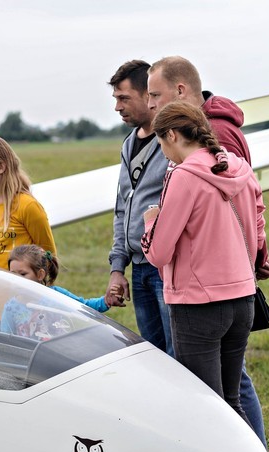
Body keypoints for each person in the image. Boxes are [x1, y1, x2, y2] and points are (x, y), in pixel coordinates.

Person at [140, 101, 269, 452]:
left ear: (172, 136)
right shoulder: (236, 166)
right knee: (231, 398)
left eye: (162, 144)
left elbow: (160, 251)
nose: (164, 153)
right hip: (241, 298)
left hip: (197, 305)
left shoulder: (182, 176)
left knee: (208, 406)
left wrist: (150, 222)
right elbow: (257, 228)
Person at [104, 60, 174, 357]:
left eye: (124, 98)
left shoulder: (173, 140)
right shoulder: (128, 143)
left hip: (165, 268)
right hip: (139, 270)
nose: (118, 107)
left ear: (149, 95)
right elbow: (122, 209)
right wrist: (118, 267)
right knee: (156, 357)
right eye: (116, 99)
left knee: (181, 355)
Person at [0, 135, 56, 327]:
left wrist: (39, 298)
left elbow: (48, 255)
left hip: (22, 306)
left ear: (2, 166)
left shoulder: (27, 205)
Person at [2, 244, 109, 339]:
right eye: (13, 274)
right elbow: (5, 339)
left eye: (23, 274)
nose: (17, 279)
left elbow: (85, 307)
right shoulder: (11, 307)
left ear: (40, 274)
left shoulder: (56, 295)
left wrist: (106, 301)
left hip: (60, 355)